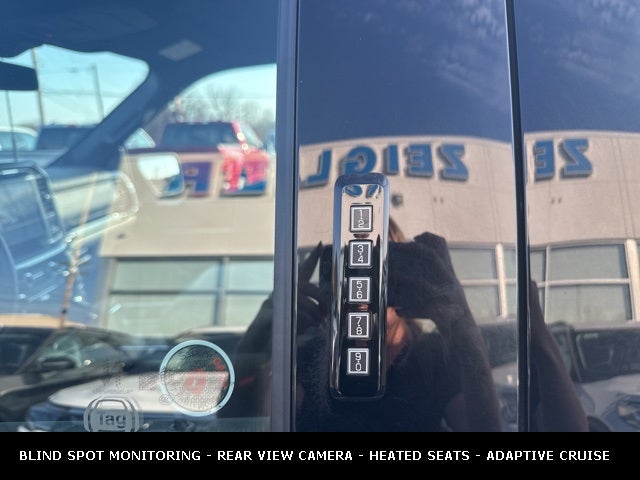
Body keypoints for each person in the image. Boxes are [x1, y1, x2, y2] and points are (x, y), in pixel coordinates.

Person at [225, 219, 503, 431]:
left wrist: (460, 320)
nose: (364, 281)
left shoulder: (434, 356)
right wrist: (270, 332)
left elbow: (484, 429)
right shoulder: (312, 356)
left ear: (407, 276)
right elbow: (243, 422)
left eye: (379, 265)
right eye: (352, 263)